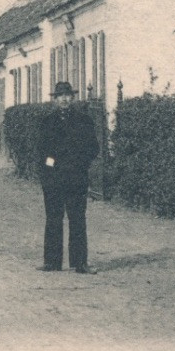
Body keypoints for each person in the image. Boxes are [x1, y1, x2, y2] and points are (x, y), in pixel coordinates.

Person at [36, 81, 100, 274]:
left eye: (67, 96)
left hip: (76, 177)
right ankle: (52, 262)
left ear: (72, 98)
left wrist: (80, 164)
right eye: (60, 96)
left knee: (77, 219)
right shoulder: (46, 122)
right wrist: (51, 166)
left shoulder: (84, 121)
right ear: (55, 99)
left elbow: (93, 148)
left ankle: (80, 263)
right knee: (53, 218)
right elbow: (41, 152)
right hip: (54, 178)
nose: (64, 99)